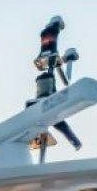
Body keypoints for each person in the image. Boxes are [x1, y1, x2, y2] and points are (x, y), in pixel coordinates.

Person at [29, 15, 82, 151]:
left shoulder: (46, 36)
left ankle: (76, 142)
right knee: (60, 123)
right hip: (46, 100)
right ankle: (76, 142)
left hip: (44, 100)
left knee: (59, 123)